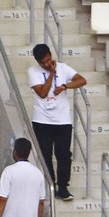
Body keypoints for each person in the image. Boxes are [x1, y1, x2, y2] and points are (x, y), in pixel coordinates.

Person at [28, 43, 86, 201]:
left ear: (50, 55)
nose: (46, 64)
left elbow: (82, 80)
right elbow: (42, 93)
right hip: (42, 120)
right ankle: (49, 185)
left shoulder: (64, 67)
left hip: (62, 120)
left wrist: (66, 85)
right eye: (42, 62)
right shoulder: (33, 71)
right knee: (45, 155)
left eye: (47, 60)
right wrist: (52, 74)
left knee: (63, 155)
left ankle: (63, 187)